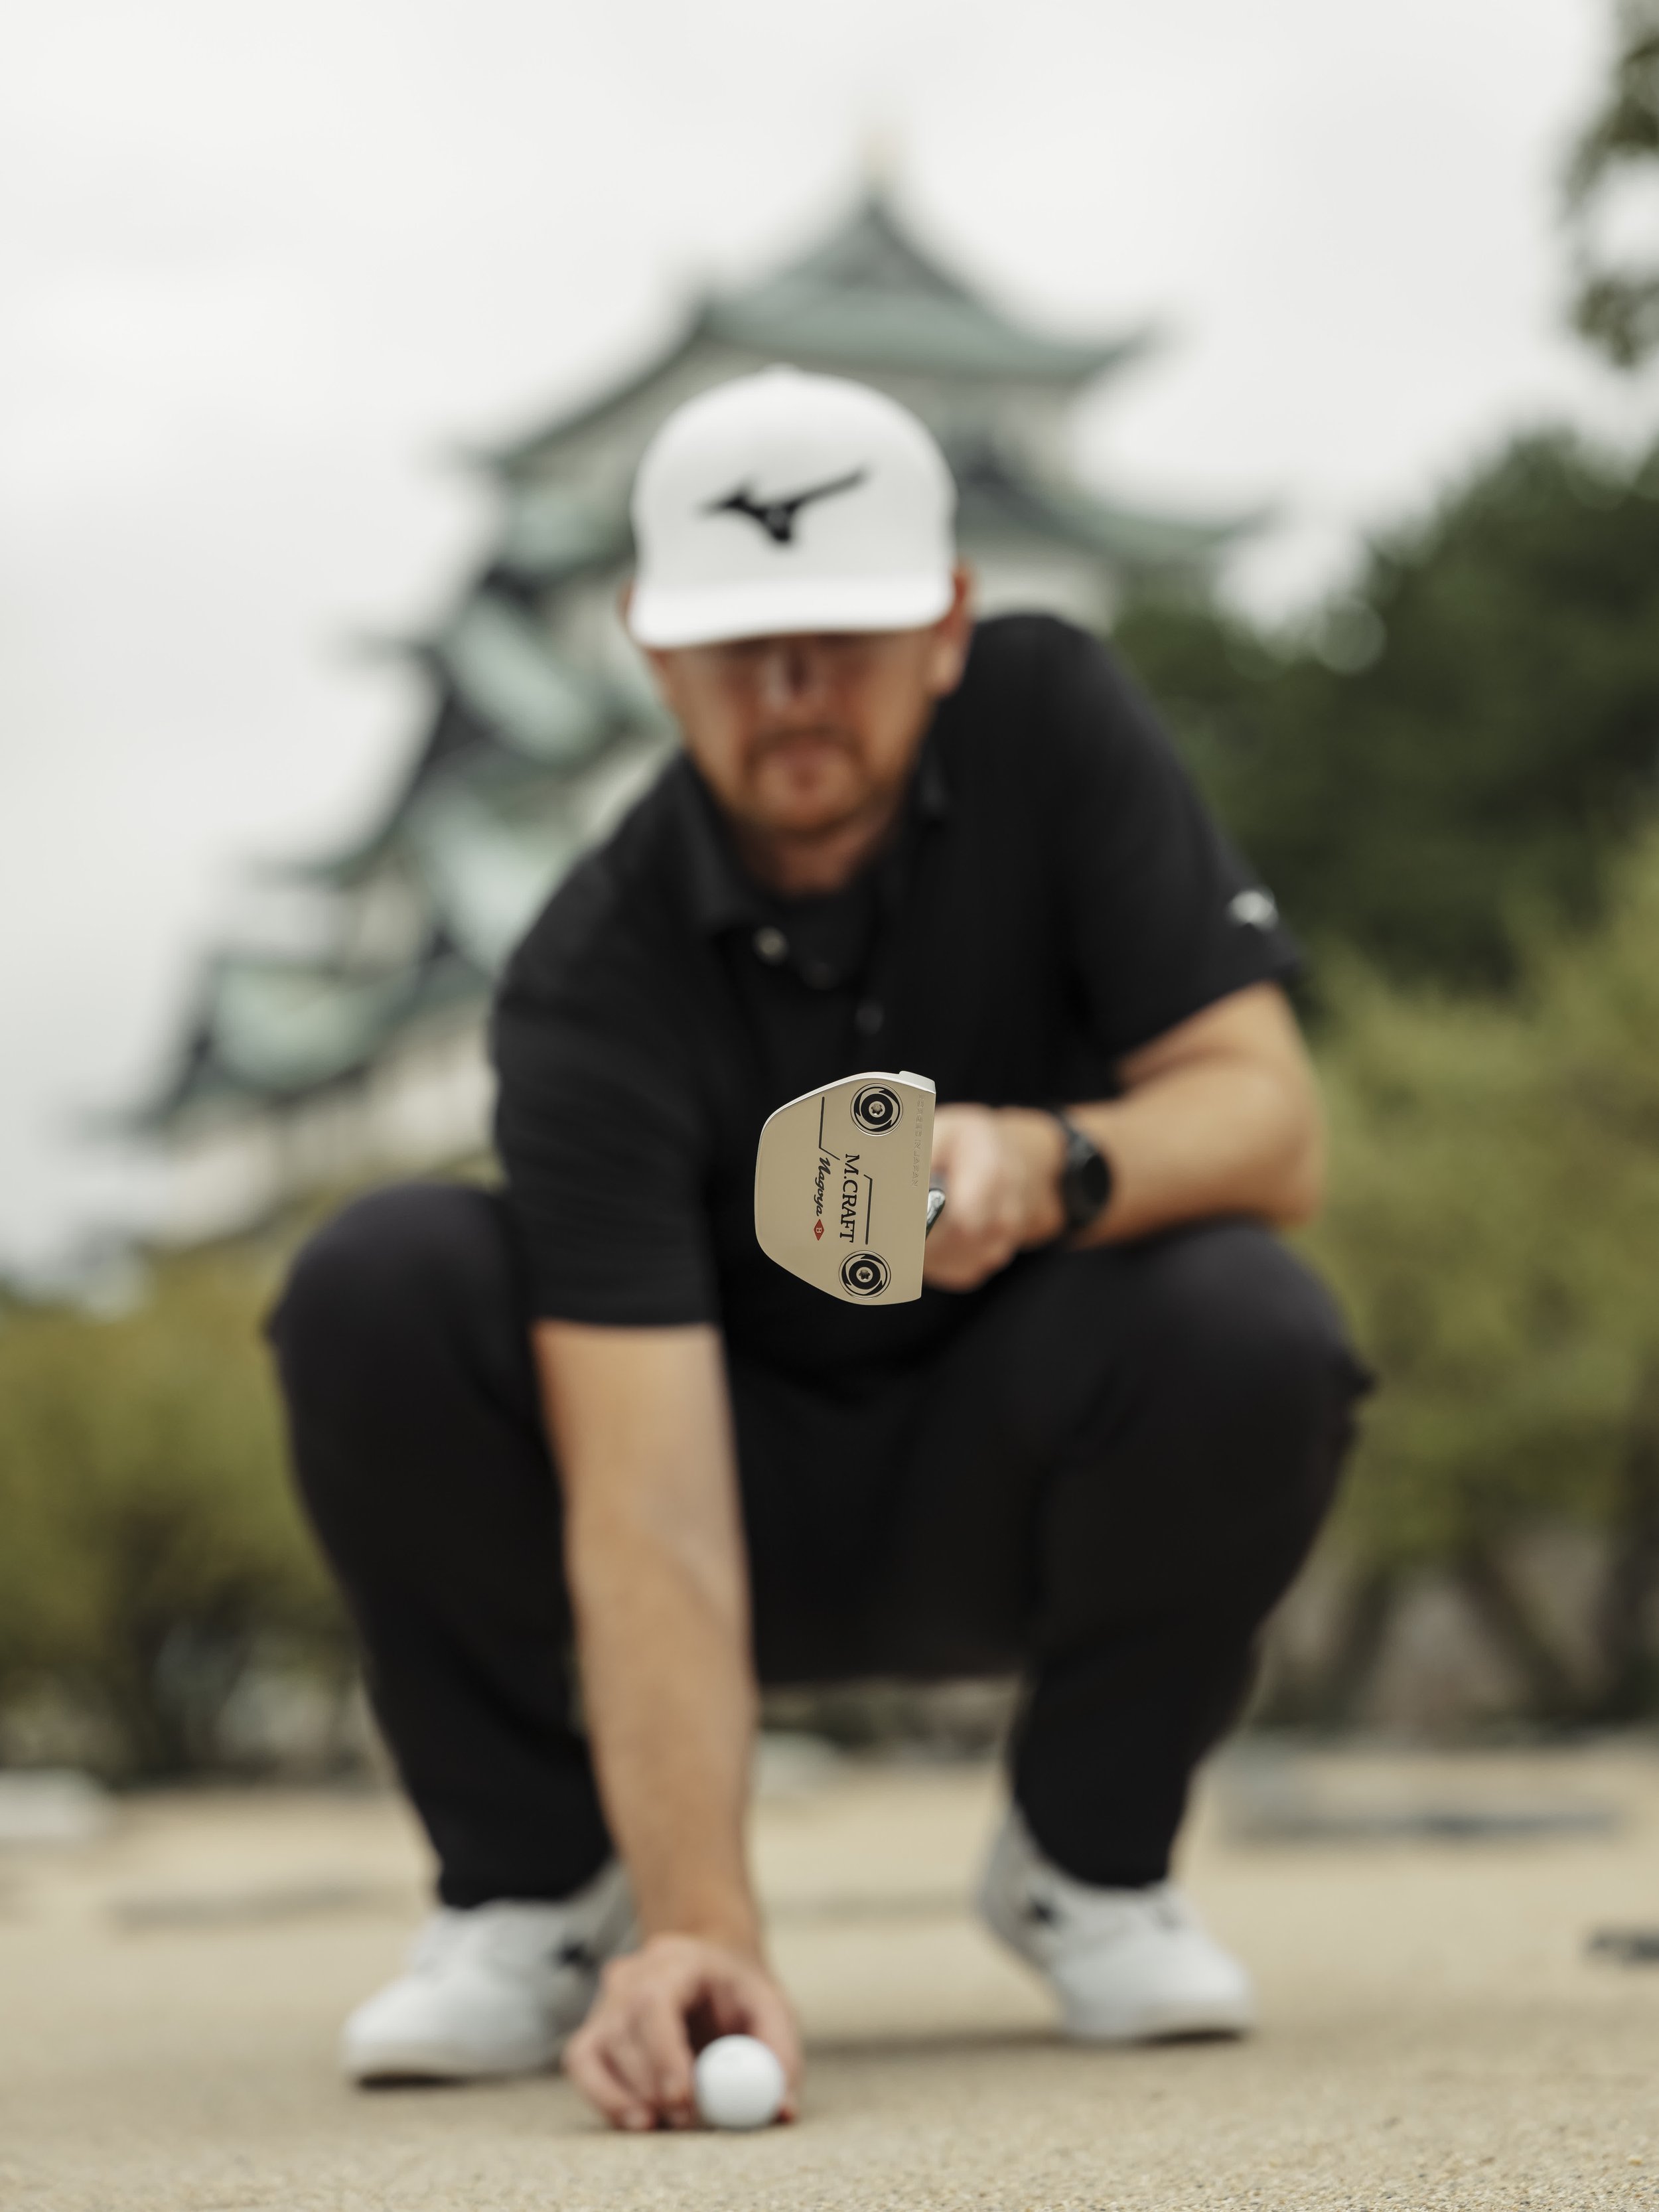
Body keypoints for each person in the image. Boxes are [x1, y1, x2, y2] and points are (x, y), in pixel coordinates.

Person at [269, 366, 1369, 2132]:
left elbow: (1272, 1123)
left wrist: (1050, 1162)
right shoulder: (587, 981)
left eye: (839, 639)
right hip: (725, 1496)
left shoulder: (1052, 721)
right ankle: (542, 1891)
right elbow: (648, 1511)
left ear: (946, 625)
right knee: (378, 1282)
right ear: (649, 646)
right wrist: (707, 1928)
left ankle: (1088, 1859)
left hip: (1009, 1464)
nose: (789, 692)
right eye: (737, 648)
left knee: (1253, 1320)